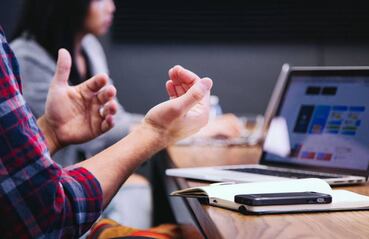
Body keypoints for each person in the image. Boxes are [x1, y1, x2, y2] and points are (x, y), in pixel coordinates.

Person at [0, 25, 213, 238]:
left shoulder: (90, 46)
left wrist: (50, 132)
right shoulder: (26, 56)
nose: (111, 5)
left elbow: (11, 176)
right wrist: (156, 132)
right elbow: (45, 215)